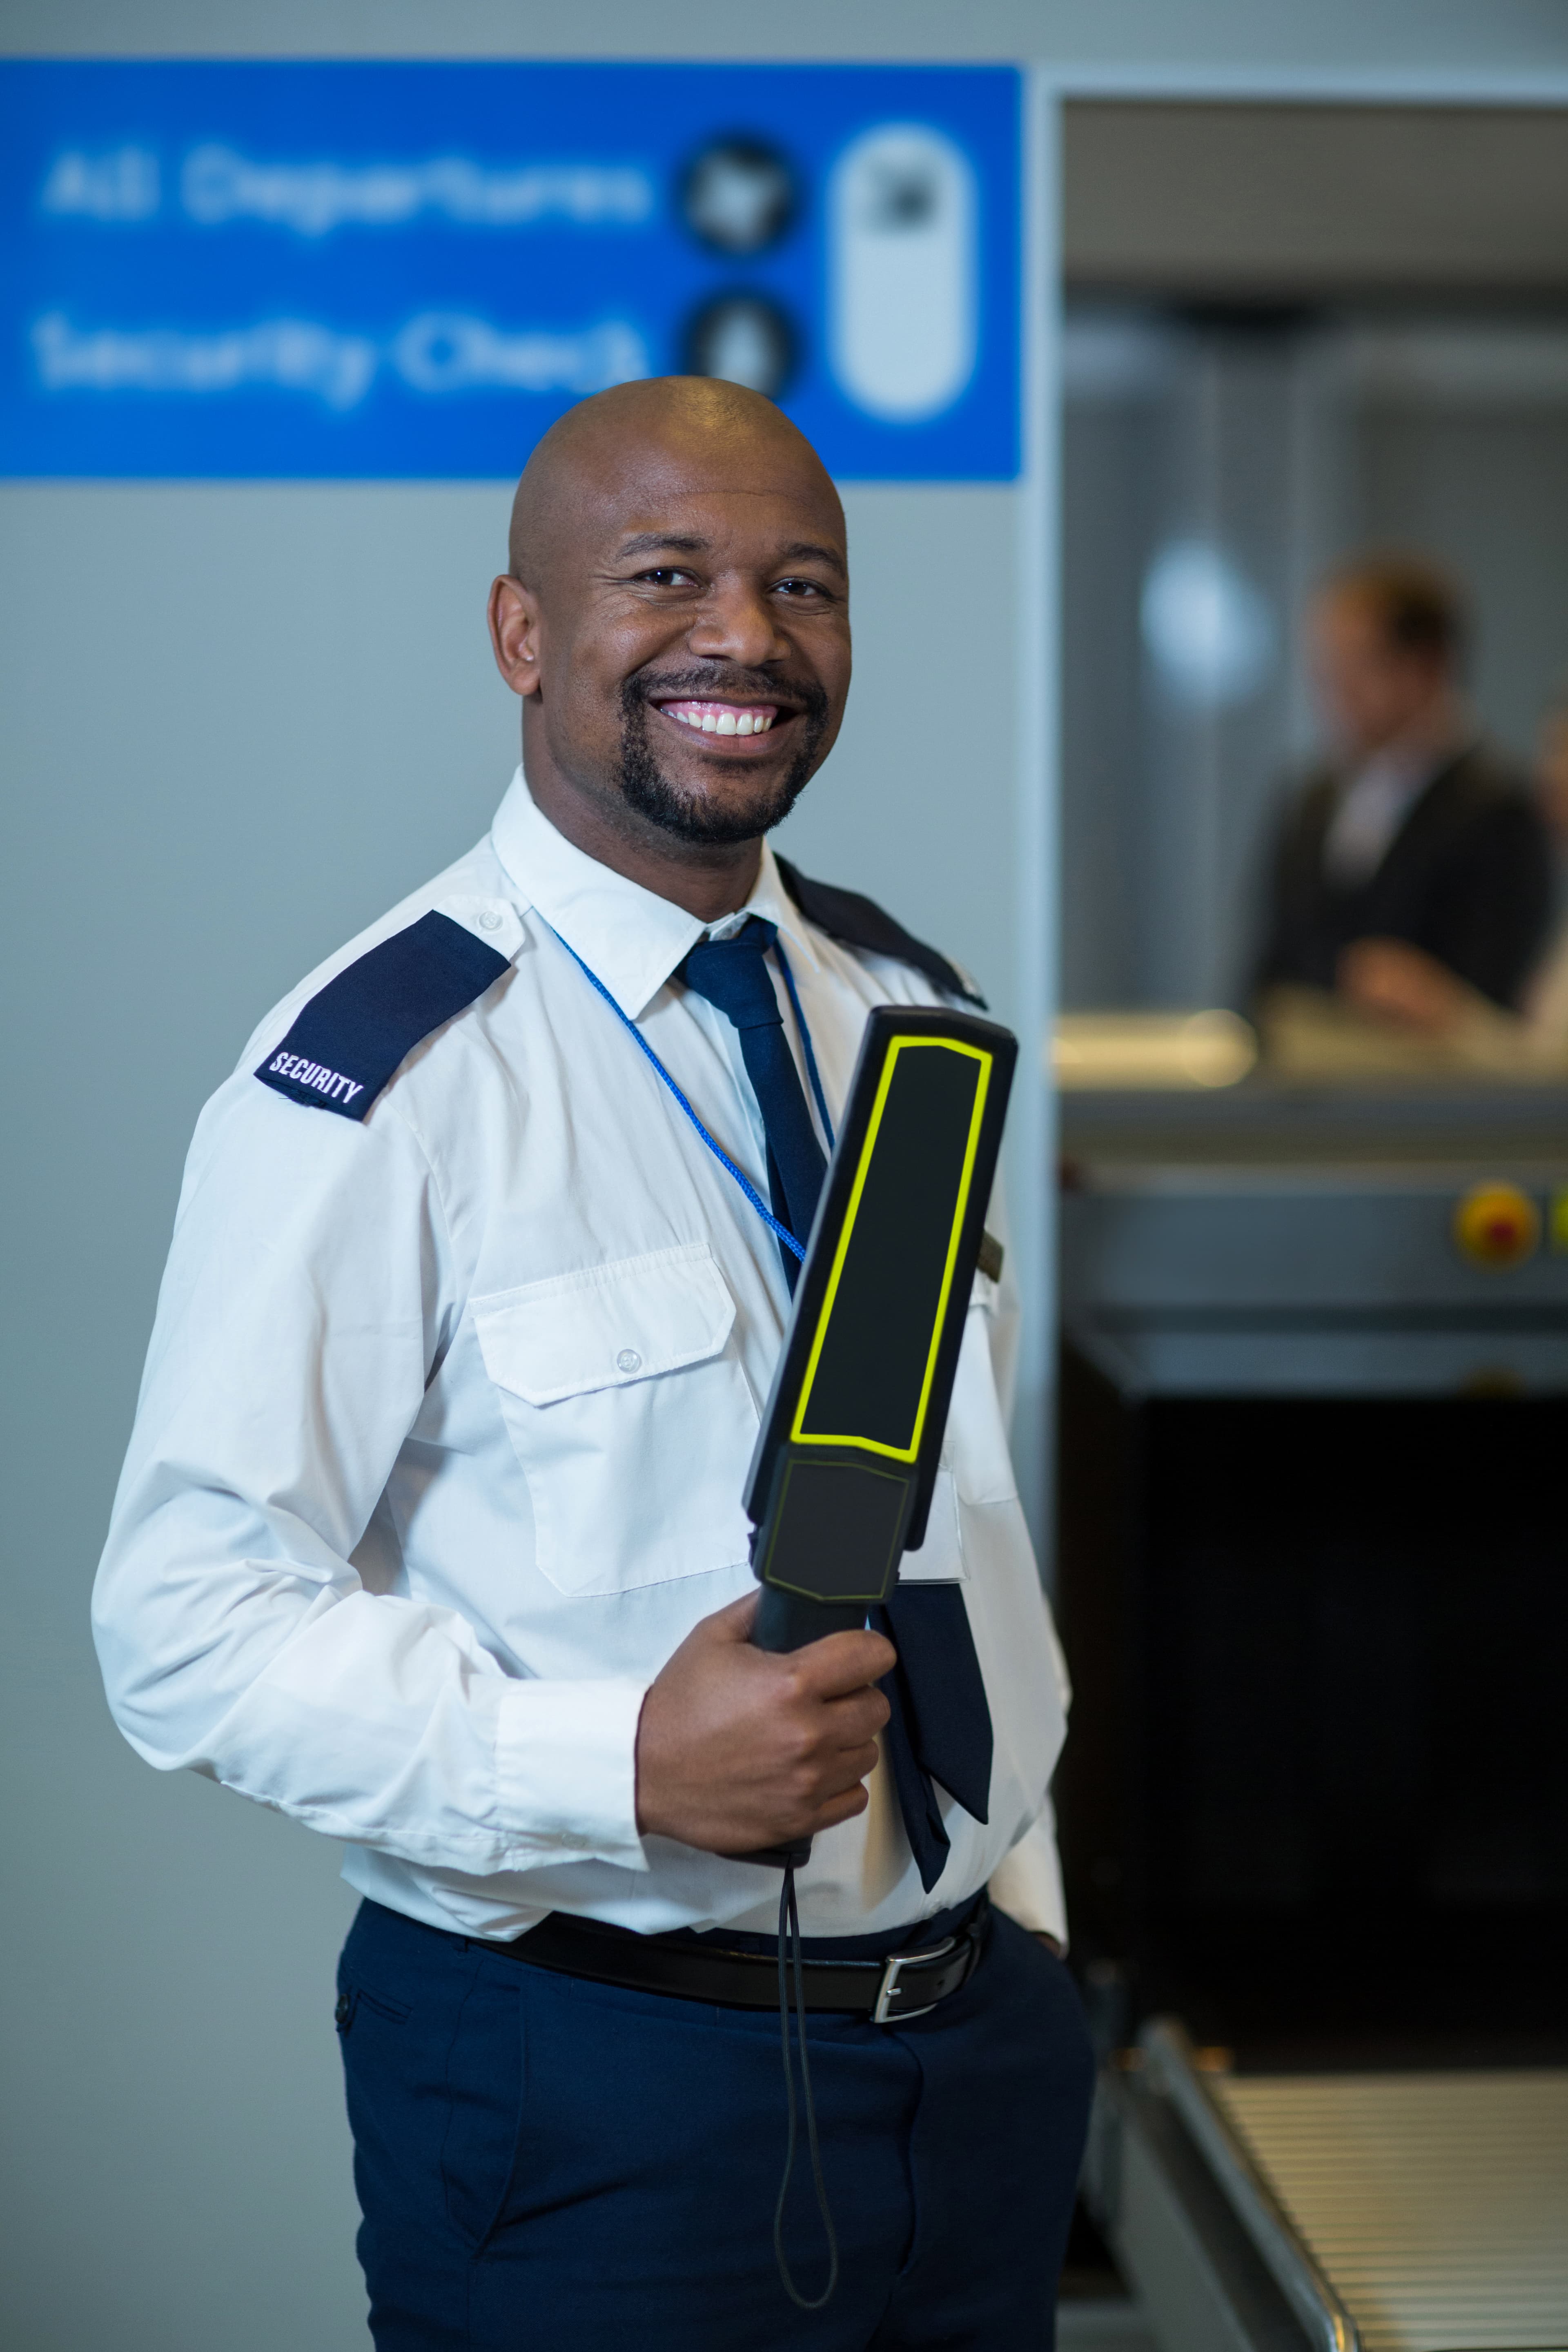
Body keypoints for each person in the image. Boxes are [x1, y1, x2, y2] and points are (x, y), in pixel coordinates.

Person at [93, 377, 1091, 2350]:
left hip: (976, 2057)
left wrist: (1027, 1942)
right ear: (522, 636)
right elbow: (181, 1624)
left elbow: (954, 1518)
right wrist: (620, 1758)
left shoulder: (908, 1003)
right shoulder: (386, 1074)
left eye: (802, 585)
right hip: (599, 2088)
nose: (746, 635)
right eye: (669, 576)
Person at [1255, 554, 1552, 1013]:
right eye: (1328, 666)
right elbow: (1266, 972)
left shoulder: (1499, 809)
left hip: (1429, 1083)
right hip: (1306, 1077)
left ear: (1425, 667)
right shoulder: (1313, 799)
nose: (1334, 690)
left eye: (1357, 665)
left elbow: (1497, 997)